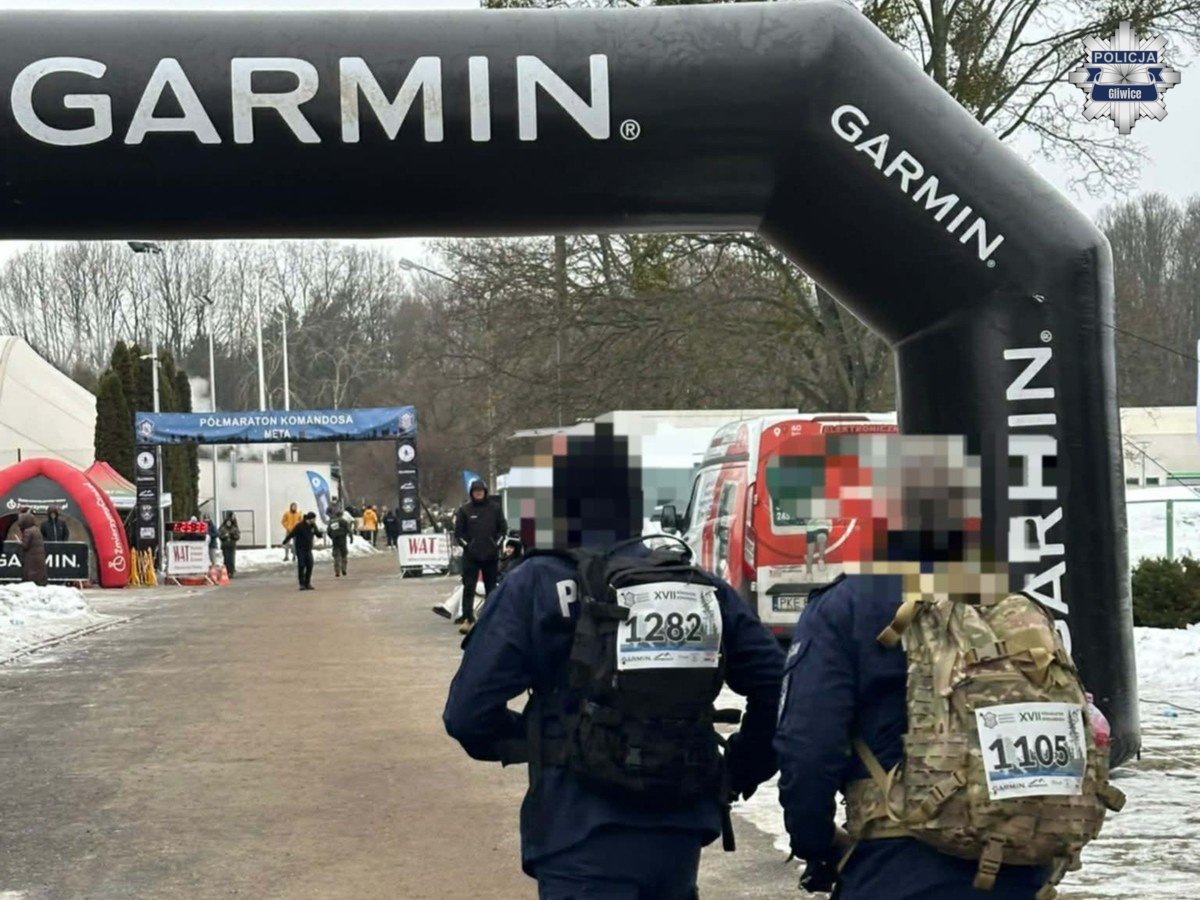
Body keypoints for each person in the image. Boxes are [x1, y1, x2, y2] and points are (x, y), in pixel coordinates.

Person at [444, 425, 785, 899]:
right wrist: (741, 768)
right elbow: (779, 686)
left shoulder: (535, 583)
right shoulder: (693, 585)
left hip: (577, 831)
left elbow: (467, 713)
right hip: (678, 831)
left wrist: (545, 741)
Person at [774, 434, 1112, 900]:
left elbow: (808, 746)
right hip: (1018, 869)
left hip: (898, 866)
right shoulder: (1010, 605)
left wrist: (814, 843)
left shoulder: (846, 607)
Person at [453, 479, 506, 634]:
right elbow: (459, 533)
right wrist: (468, 546)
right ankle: (468, 618)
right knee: (469, 587)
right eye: (475, 491)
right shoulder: (464, 510)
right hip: (471, 557)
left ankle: (491, 618)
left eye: (481, 491)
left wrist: (496, 544)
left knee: (491, 588)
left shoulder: (495, 508)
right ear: (471, 493)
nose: (478, 493)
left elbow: (502, 529)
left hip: (490, 556)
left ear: (485, 492)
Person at [282, 511, 322, 590]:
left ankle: (308, 583)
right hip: (300, 549)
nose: (314, 521)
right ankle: (302, 584)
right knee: (301, 565)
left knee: (310, 565)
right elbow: (292, 534)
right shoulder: (300, 526)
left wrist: (319, 533)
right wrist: (285, 541)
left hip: (308, 549)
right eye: (314, 519)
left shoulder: (313, 526)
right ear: (309, 519)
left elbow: (318, 534)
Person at [17, 510, 47, 586]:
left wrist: (20, 542)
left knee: (30, 574)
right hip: (39, 556)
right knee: (38, 573)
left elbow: (25, 546)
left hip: (31, 557)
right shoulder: (36, 529)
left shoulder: (28, 531)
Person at [327, 507, 351, 578]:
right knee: (344, 555)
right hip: (343, 540)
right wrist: (351, 537)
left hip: (335, 540)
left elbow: (329, 531)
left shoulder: (332, 522)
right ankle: (344, 568)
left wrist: (332, 537)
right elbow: (348, 530)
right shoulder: (343, 521)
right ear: (341, 515)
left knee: (336, 556)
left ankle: (337, 571)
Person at [218, 511, 240, 578]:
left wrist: (232, 535)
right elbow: (219, 535)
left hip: (232, 545)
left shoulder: (234, 528)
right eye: (227, 522)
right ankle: (226, 572)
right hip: (225, 546)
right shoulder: (223, 528)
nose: (228, 523)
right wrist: (224, 536)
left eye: (229, 522)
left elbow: (237, 536)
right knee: (226, 559)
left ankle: (231, 571)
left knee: (231, 559)